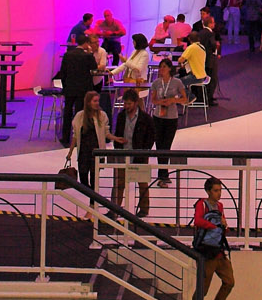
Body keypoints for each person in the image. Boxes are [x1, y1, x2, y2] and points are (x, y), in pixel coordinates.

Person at [192, 177, 234, 300]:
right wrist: (213, 226)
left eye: (220, 190)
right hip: (206, 252)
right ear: (208, 191)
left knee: (229, 282)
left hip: (218, 250)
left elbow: (222, 226)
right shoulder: (202, 204)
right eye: (216, 190)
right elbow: (197, 221)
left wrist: (223, 226)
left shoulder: (220, 206)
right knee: (203, 289)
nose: (219, 193)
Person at [112, 88, 155, 216]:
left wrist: (144, 151)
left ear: (136, 103)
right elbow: (117, 133)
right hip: (122, 154)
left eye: (129, 104)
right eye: (125, 103)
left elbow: (151, 137)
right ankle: (114, 209)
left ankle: (144, 209)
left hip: (139, 156)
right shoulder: (121, 116)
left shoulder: (146, 118)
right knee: (119, 183)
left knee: (142, 183)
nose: (126, 106)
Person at [148, 59, 186, 187]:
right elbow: (153, 100)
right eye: (160, 67)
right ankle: (163, 175)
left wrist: (172, 100)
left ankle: (163, 174)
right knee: (159, 145)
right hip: (158, 116)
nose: (161, 69)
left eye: (164, 66)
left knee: (166, 145)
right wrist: (161, 102)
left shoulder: (177, 82)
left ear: (170, 68)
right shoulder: (156, 83)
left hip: (171, 118)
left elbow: (185, 99)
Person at [58, 36, 102, 145]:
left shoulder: (67, 55)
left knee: (67, 113)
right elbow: (94, 67)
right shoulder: (87, 56)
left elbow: (63, 72)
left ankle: (65, 138)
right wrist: (90, 53)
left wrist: (65, 87)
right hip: (83, 89)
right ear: (86, 43)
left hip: (70, 88)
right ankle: (79, 138)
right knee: (80, 114)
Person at [71, 89, 113, 192]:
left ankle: (93, 200)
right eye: (95, 101)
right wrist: (70, 152)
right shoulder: (79, 116)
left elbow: (106, 133)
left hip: (96, 153)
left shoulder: (102, 115)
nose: (97, 103)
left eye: (98, 101)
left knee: (94, 181)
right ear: (88, 102)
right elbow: (75, 135)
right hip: (83, 153)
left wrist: (116, 138)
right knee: (83, 180)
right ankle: (93, 195)